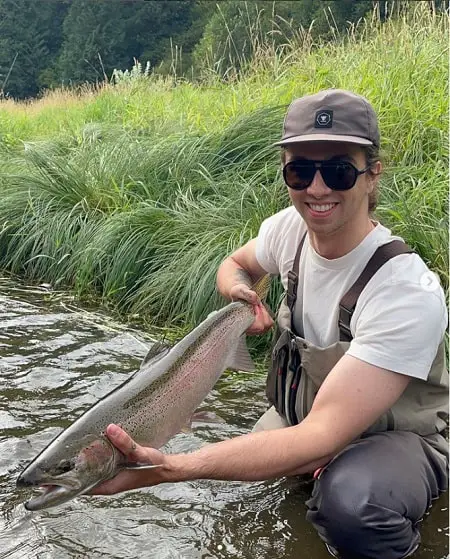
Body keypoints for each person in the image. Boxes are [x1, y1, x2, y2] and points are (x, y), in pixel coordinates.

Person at [92, 89, 448, 559]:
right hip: (301, 419)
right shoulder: (288, 230)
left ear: (371, 173)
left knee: (351, 506)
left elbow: (322, 437)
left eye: (338, 170)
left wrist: (175, 467)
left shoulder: (404, 290)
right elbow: (233, 264)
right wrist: (241, 293)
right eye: (300, 170)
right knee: (236, 492)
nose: (316, 189)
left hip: (394, 440)